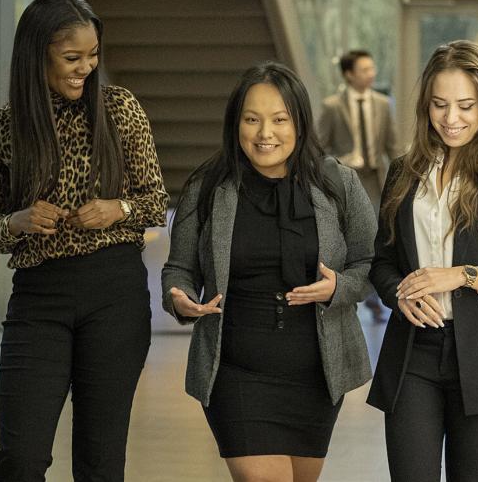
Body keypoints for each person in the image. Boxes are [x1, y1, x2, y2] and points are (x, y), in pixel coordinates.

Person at [0, 0, 169, 481]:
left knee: (100, 465)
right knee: (20, 461)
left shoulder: (120, 109)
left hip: (114, 294)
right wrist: (14, 222)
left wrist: (115, 209)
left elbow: (154, 203)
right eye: (72, 57)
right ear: (36, 54)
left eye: (93, 56)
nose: (86, 67)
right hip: (38, 299)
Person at [161, 62, 377, 482]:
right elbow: (179, 268)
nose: (265, 134)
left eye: (280, 120)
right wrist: (180, 297)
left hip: (316, 373)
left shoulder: (338, 183)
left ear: (299, 122)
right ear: (235, 123)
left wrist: (339, 288)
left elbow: (371, 264)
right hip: (235, 369)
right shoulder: (208, 185)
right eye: (252, 119)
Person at [367, 40, 478, 482]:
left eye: (466, 106)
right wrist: (398, 295)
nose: (451, 119)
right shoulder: (403, 170)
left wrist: (462, 276)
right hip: (413, 352)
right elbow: (382, 261)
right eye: (440, 105)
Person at [318, 49, 401, 322]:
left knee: (374, 241)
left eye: (372, 68)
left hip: (375, 182)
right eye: (364, 69)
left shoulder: (382, 103)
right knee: (344, 241)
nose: (371, 74)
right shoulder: (332, 106)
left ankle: (373, 298)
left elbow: (393, 146)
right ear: (349, 74)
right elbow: (320, 149)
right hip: (343, 184)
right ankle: (345, 292)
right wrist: (340, 160)